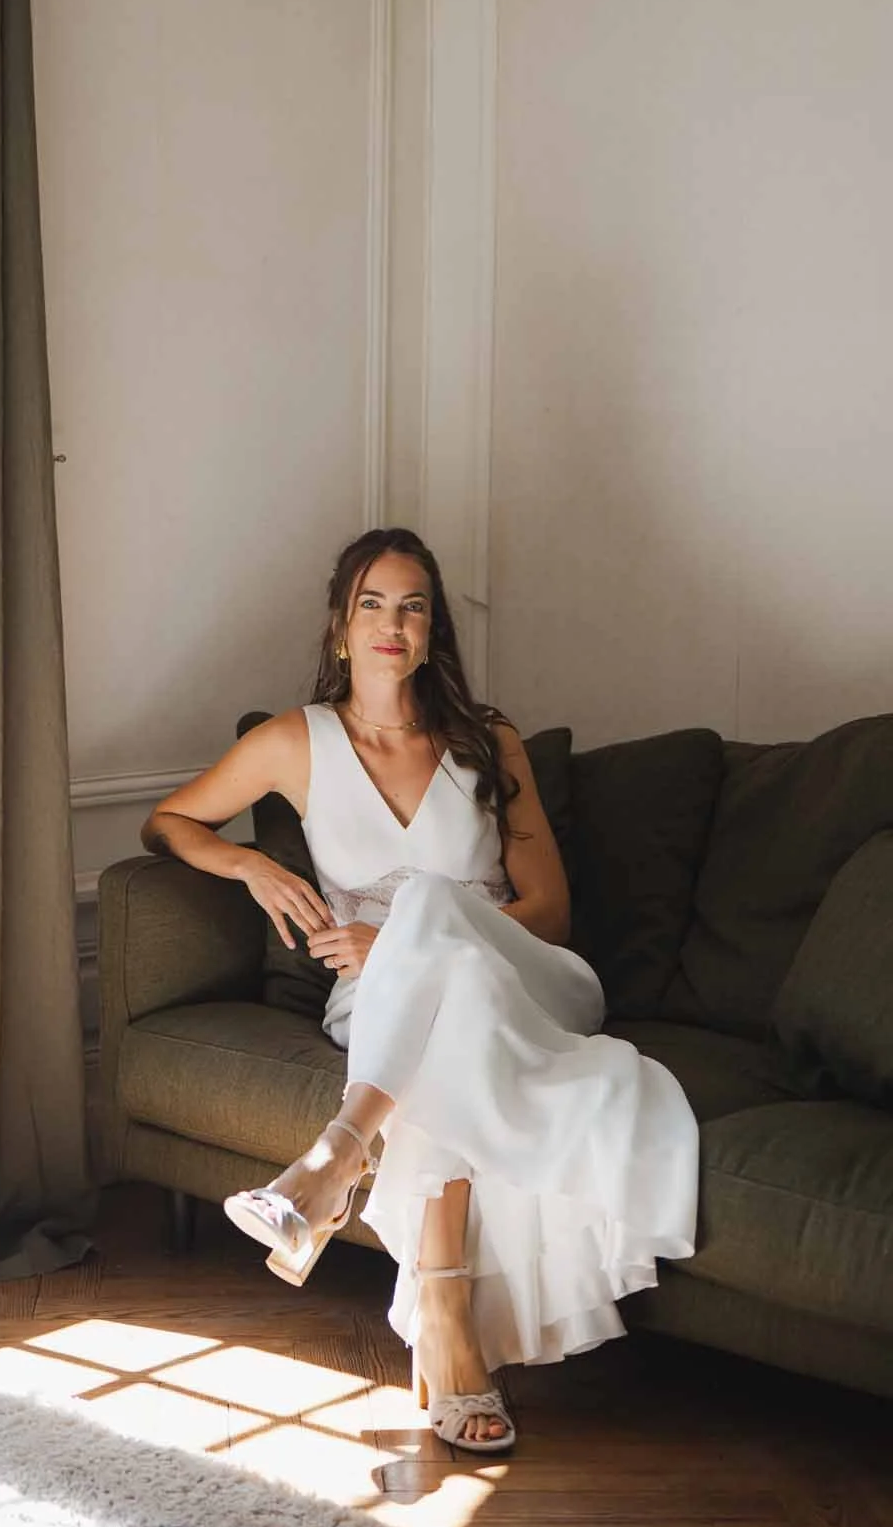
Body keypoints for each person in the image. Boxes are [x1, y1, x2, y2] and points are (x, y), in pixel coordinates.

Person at [142, 527, 699, 1453]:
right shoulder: (295, 743)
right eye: (372, 604)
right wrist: (248, 864)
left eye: (412, 607)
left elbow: (550, 913)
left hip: (530, 984)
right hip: (383, 1003)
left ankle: (337, 1158)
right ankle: (445, 1326)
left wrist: (407, 936)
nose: (391, 624)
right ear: (340, 626)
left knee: (433, 905)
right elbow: (168, 821)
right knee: (443, 1025)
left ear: (432, 630)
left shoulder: (488, 742)